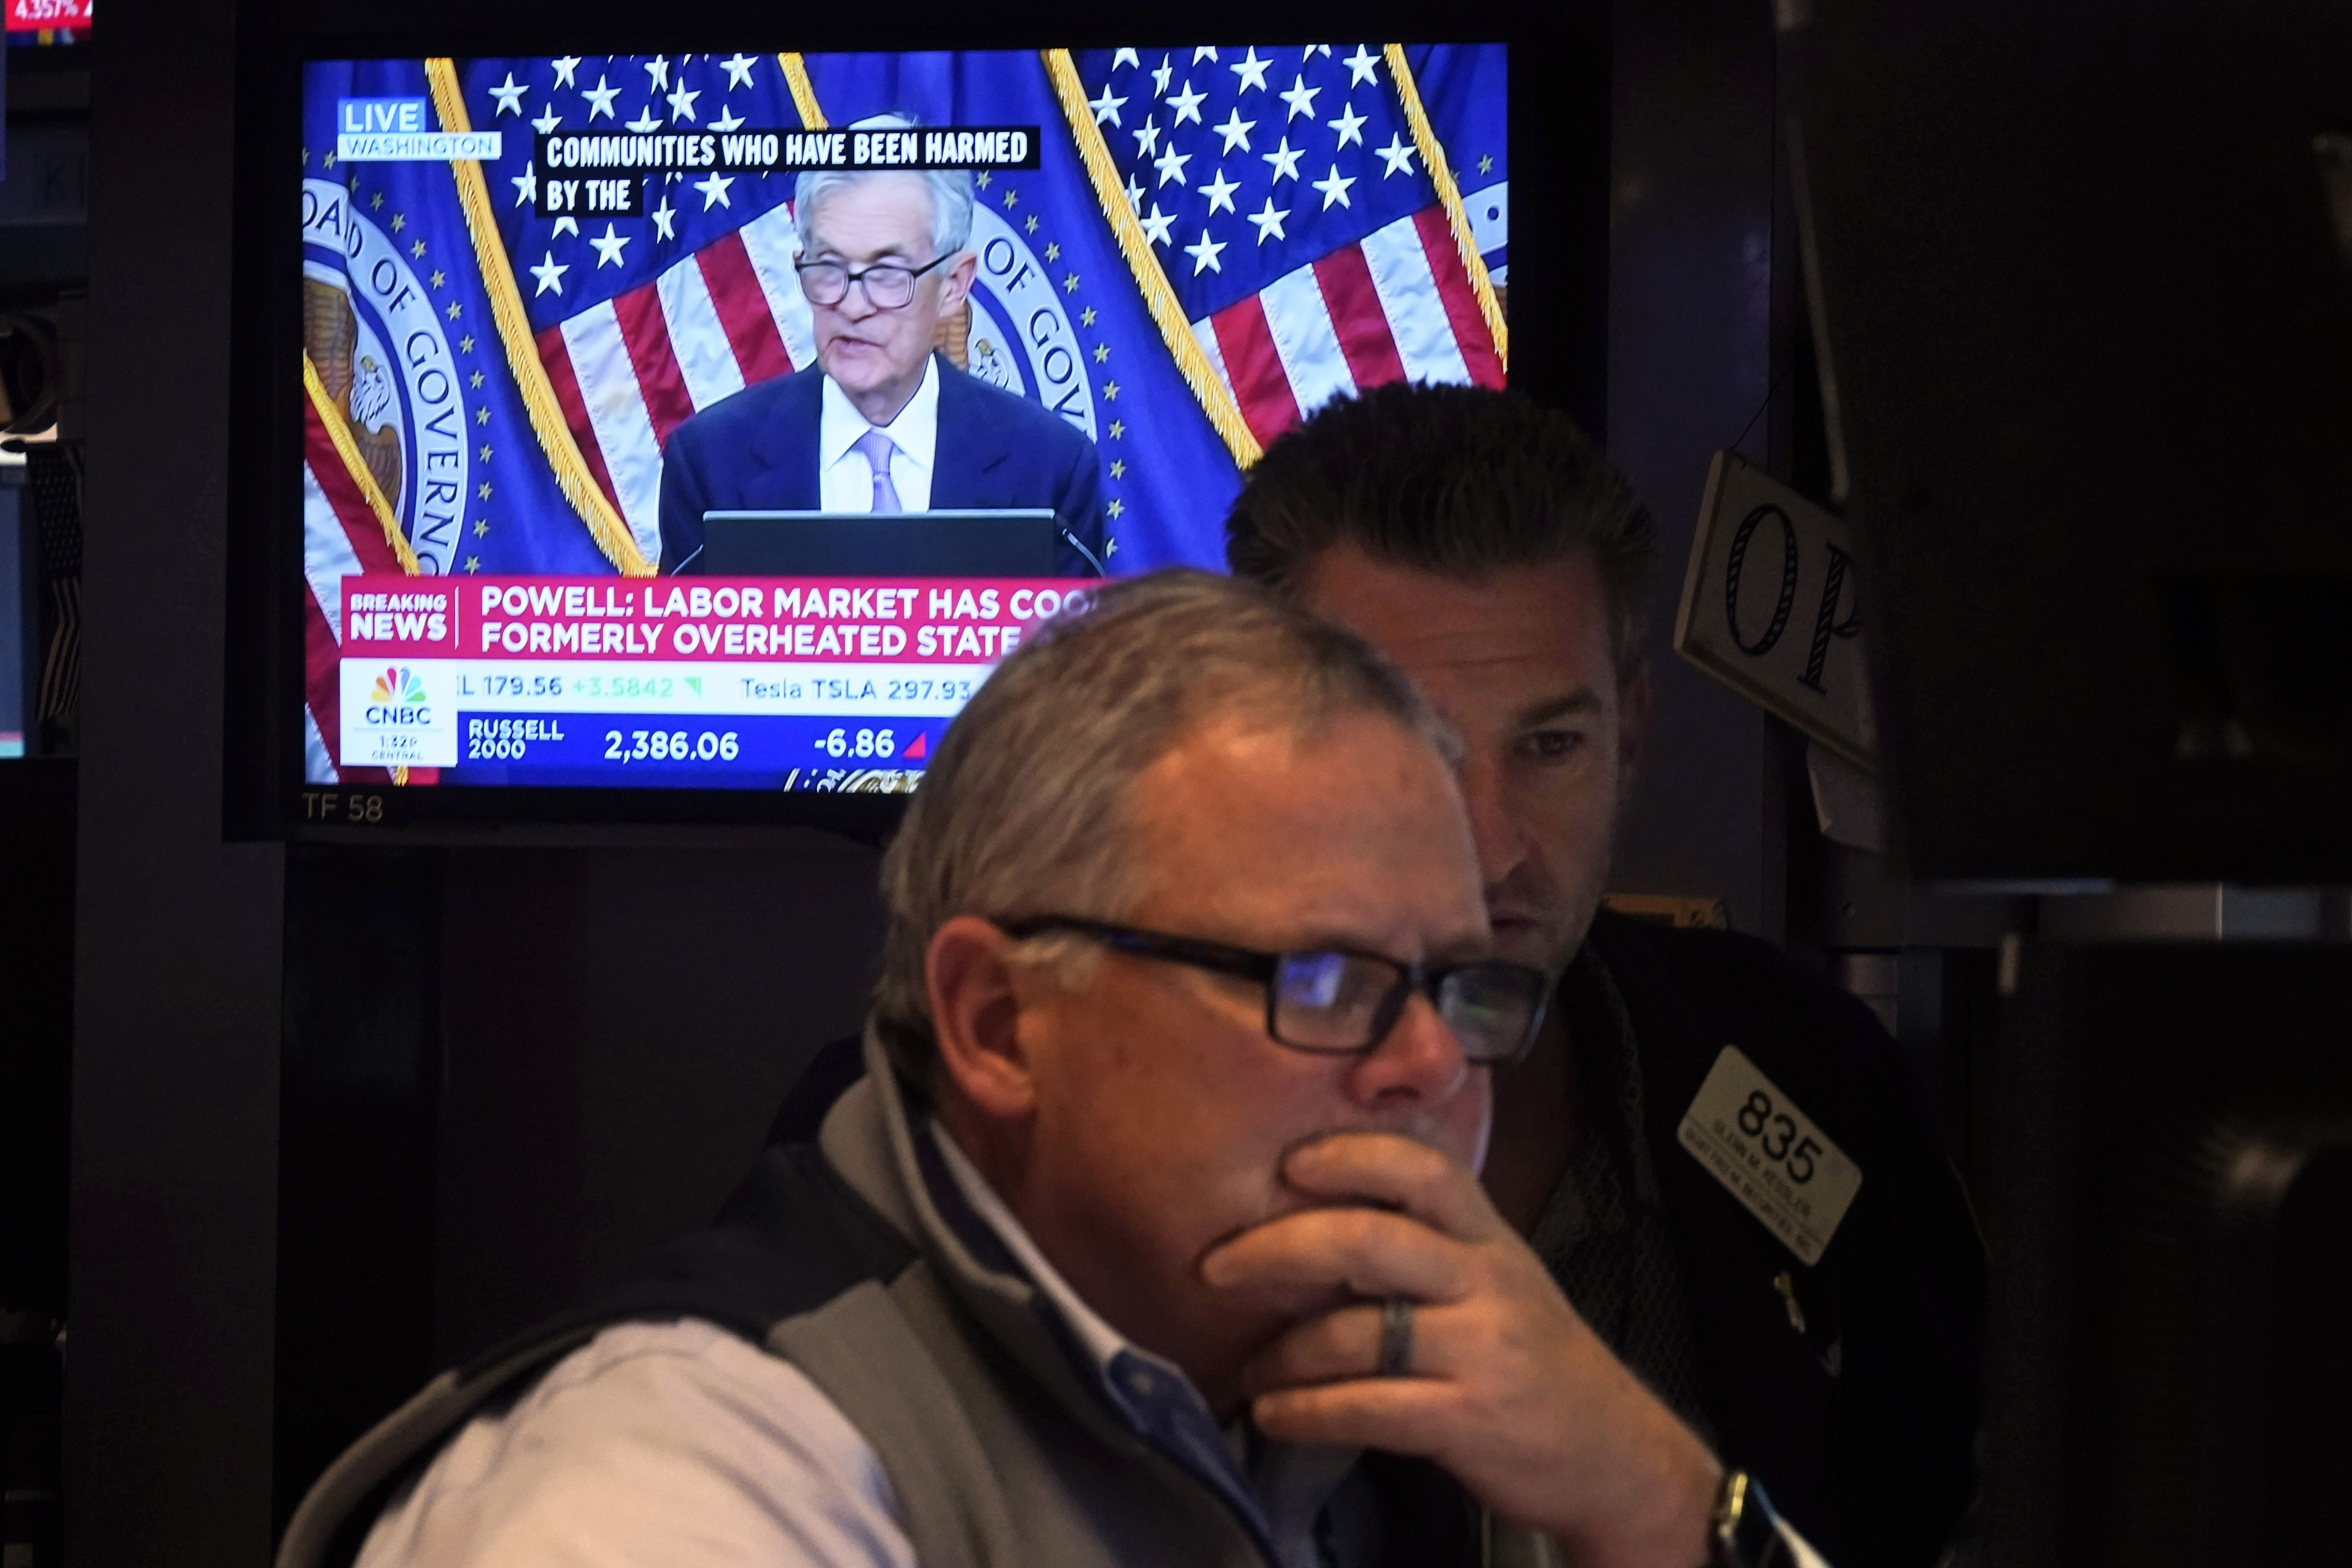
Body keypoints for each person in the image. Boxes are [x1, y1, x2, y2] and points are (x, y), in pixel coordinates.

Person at [297, 572, 1819, 1568]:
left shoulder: (1380, 1418)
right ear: (997, 1022)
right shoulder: (687, 1478)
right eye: (1327, 981)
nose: (1431, 1069)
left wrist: (1653, 1499)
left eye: (1460, 986)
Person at [1221, 382, 1985, 1568]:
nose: (1494, 845)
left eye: (1552, 746)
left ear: (1631, 735)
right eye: (1413, 745)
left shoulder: (1806, 1069)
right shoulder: (1094, 1112)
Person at [655, 121, 1106, 577]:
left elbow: (1075, 649)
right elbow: (678, 646)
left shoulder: (1050, 470)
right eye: (828, 268)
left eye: (888, 274)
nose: (852, 305)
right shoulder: (711, 464)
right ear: (799, 266)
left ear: (954, 283)